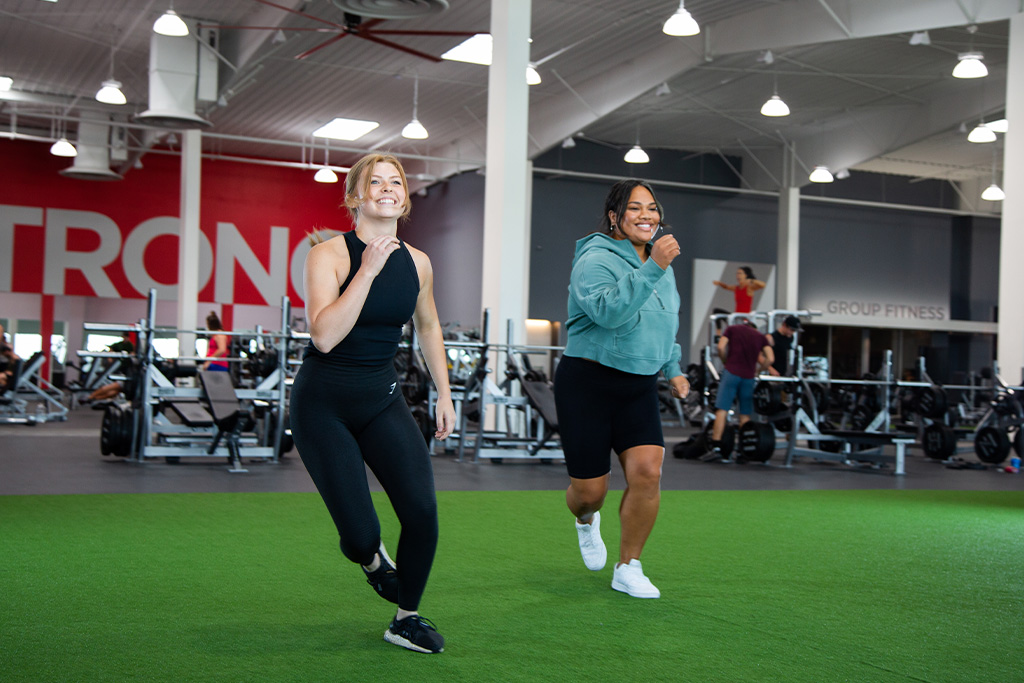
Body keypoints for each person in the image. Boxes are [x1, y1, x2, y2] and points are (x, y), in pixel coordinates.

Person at [289, 152, 455, 654]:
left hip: (382, 400)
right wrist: (368, 269)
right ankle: (372, 560)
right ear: (356, 196)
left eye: (396, 181)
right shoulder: (328, 255)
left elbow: (427, 325)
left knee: (423, 511)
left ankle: (406, 618)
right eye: (375, 182)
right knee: (362, 536)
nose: (387, 188)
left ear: (404, 196)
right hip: (323, 408)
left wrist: (445, 392)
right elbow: (323, 337)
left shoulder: (420, 262)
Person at [554, 179, 690, 600]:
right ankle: (584, 519)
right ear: (615, 217)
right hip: (588, 384)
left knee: (648, 473)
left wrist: (674, 368)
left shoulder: (658, 264)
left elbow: (663, 321)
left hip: (639, 386)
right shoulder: (593, 259)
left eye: (652, 208)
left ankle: (628, 566)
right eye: (635, 208)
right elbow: (608, 312)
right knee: (590, 493)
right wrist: (654, 268)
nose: (646, 215)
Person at [705, 320, 774, 460]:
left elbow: (720, 347)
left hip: (731, 373)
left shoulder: (733, 329)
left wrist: (725, 362)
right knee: (744, 414)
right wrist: (759, 370)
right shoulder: (760, 337)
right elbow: (770, 359)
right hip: (749, 376)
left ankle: (716, 448)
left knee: (722, 410)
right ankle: (743, 451)